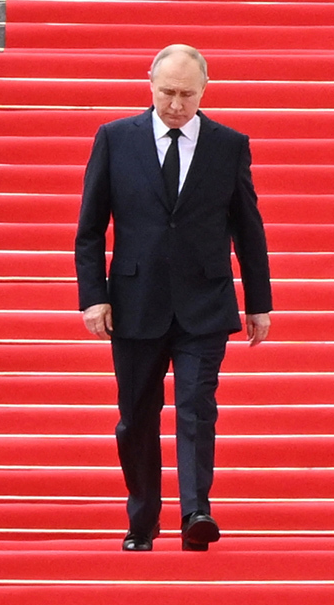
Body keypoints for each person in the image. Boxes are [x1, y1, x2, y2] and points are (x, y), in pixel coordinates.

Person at [74, 44, 273, 552]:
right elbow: (90, 228)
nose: (177, 104)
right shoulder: (116, 138)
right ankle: (142, 520)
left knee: (196, 408)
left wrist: (258, 302)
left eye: (187, 94)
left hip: (204, 302)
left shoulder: (229, 145)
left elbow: (249, 229)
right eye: (167, 92)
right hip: (134, 301)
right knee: (136, 417)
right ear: (150, 85)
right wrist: (93, 296)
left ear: (205, 91)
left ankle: (195, 512)